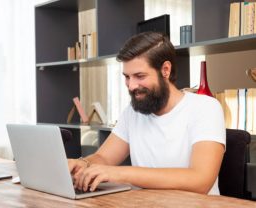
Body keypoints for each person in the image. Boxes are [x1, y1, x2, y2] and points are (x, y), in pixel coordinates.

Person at [68, 32, 226, 195]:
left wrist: (120, 173)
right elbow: (104, 158)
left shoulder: (205, 108)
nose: (131, 86)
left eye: (139, 76)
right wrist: (84, 163)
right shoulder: (132, 112)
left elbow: (200, 180)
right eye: (127, 77)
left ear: (165, 70)